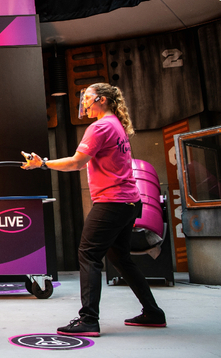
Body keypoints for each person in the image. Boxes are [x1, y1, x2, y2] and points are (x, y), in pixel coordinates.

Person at [22, 83, 165, 337]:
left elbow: (76, 163)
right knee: (121, 258)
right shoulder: (116, 125)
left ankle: (88, 319)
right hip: (130, 202)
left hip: (112, 202)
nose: (84, 103)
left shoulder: (99, 127)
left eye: (87, 98)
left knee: (88, 254)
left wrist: (42, 163)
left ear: (100, 99)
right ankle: (153, 312)